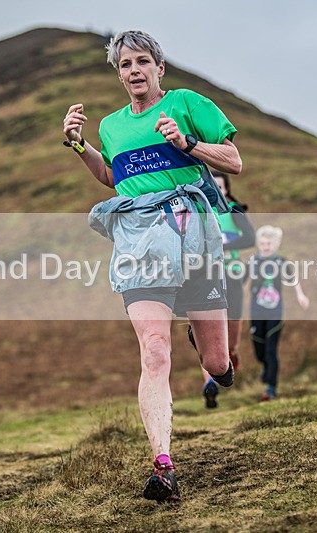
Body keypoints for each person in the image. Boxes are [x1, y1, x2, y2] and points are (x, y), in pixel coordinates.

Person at [62, 30, 242, 503]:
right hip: (141, 246)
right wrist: (81, 145)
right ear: (118, 74)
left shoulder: (186, 103)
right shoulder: (112, 126)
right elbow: (111, 177)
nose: (135, 70)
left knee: (217, 362)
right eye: (125, 64)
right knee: (154, 350)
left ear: (160, 68)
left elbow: (234, 161)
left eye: (143, 61)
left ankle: (216, 362)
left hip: (194, 238)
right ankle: (163, 466)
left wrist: (186, 144)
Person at [198, 171, 255, 408]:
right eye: (213, 188)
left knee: (230, 342)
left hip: (232, 275)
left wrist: (222, 243)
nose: (217, 192)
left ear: (227, 190)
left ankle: (231, 355)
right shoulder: (199, 209)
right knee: (207, 337)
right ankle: (209, 382)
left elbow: (250, 239)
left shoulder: (234, 211)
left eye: (220, 188)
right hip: (206, 276)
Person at [247, 225, 309, 401]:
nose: (266, 246)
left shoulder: (281, 262)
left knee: (271, 350)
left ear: (275, 245)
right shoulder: (253, 261)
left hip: (275, 311)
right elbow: (240, 278)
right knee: (260, 352)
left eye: (269, 243)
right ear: (258, 244)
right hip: (256, 312)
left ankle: (271, 388)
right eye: (263, 243)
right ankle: (267, 370)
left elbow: (293, 279)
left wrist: (300, 295)